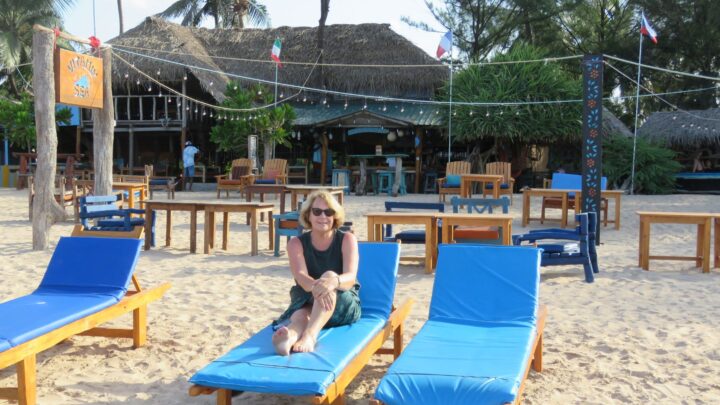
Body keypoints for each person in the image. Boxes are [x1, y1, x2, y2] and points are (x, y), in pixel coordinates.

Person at [271, 191, 360, 355]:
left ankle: (310, 336)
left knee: (329, 276)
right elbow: (302, 278)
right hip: (307, 299)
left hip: (343, 302)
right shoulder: (296, 244)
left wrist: (332, 282)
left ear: (335, 216)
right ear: (308, 215)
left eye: (329, 212)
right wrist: (320, 287)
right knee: (300, 314)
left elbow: (350, 277)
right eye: (317, 211)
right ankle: (289, 338)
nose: (323, 216)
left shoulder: (347, 239)